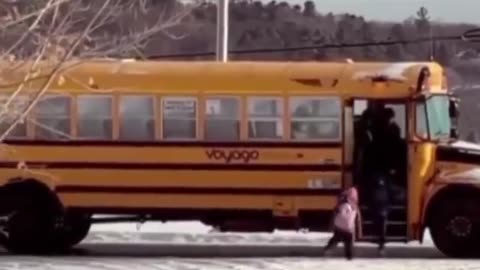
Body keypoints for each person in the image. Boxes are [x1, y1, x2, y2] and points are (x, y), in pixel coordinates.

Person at [321, 186, 360, 260]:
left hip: (339, 226)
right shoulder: (355, 207)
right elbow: (357, 220)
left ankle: (328, 248)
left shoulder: (341, 204)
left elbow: (335, 214)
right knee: (348, 243)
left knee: (336, 238)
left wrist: (331, 226)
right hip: (349, 228)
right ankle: (349, 256)